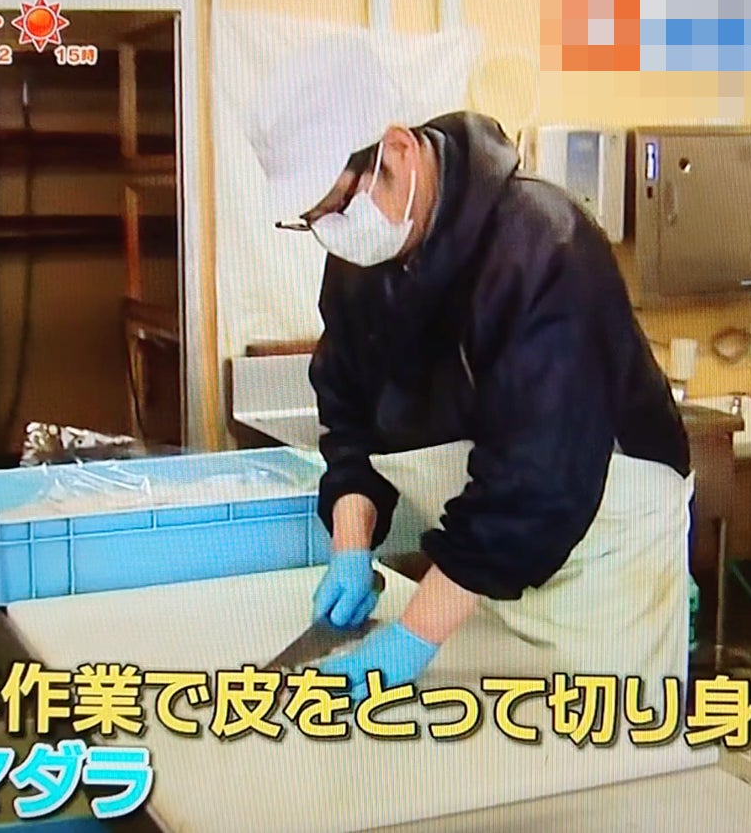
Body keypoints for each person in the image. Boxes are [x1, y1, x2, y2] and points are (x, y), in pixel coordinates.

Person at [247, 35, 693, 702]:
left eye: (336, 206)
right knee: (503, 741)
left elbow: (538, 479)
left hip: (604, 561)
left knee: (608, 743)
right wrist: (351, 544)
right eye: (312, 220)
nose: (332, 231)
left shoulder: (543, 245)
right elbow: (347, 416)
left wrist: (412, 636)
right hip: (485, 569)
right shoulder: (359, 265)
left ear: (397, 149)